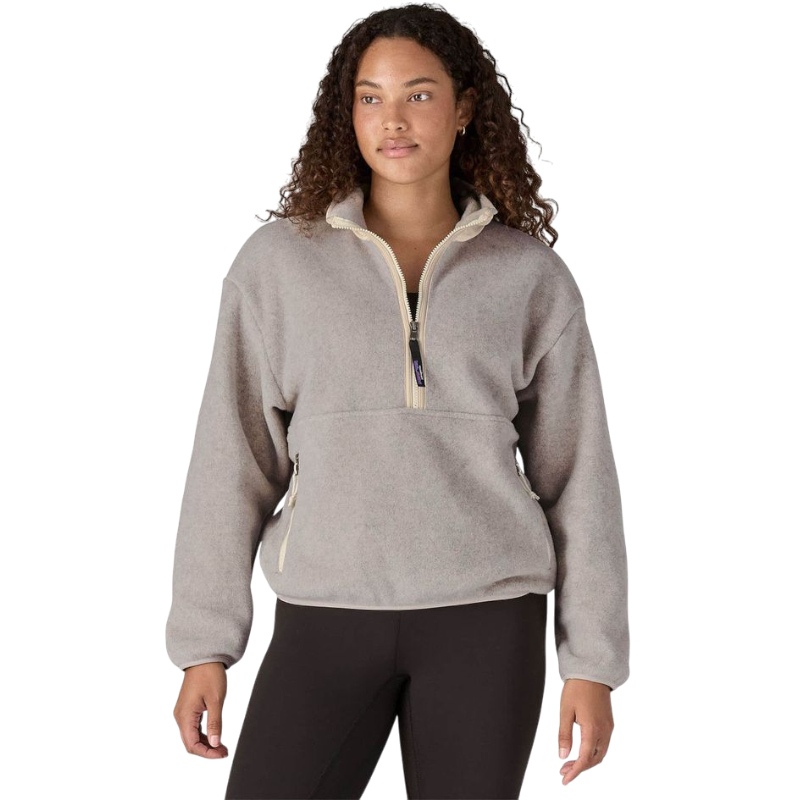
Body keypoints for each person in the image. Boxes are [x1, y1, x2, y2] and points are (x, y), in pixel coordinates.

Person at [167, 3, 630, 797]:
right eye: (370, 97)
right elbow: (229, 462)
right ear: (345, 115)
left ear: (465, 108)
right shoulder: (276, 266)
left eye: (418, 95)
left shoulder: (530, 277)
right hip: (322, 614)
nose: (393, 120)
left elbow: (579, 479)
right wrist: (204, 646)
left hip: (489, 621)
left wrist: (592, 663)